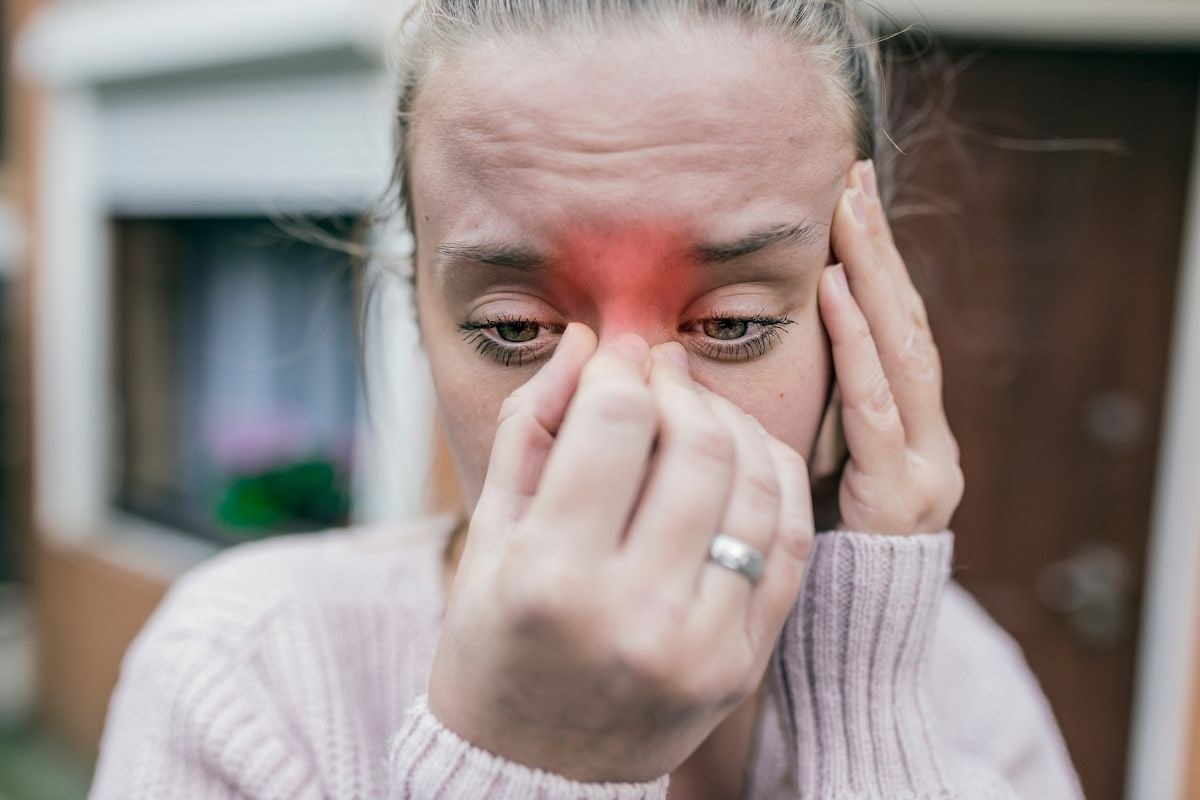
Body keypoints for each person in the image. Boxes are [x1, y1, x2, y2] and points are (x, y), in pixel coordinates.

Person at [90, 1, 1087, 798]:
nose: (626, 411)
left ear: (862, 317)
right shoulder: (249, 675)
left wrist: (870, 713)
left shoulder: (959, 685)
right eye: (515, 327)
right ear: (419, 324)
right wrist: (528, 758)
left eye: (733, 320)